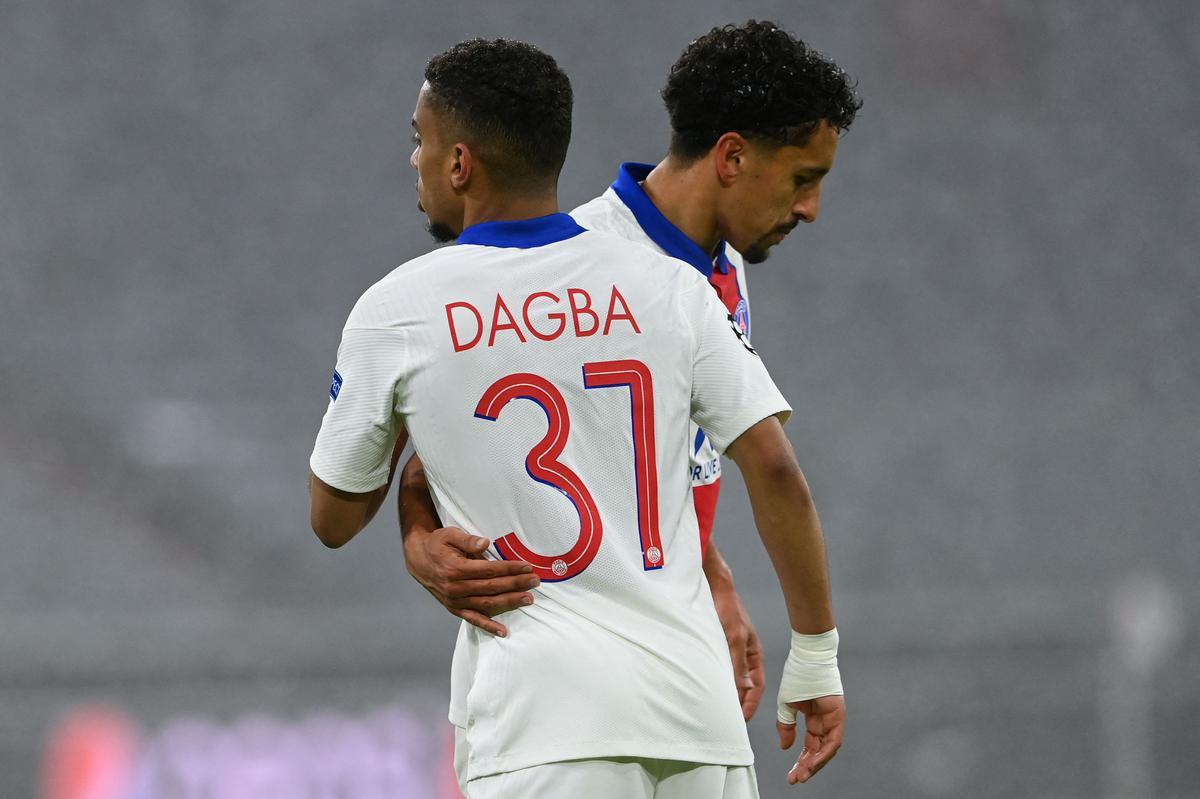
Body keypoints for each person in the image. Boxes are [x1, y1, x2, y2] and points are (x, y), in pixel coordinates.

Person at [309, 37, 842, 797]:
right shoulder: (647, 280)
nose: (811, 208)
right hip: (683, 709)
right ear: (730, 157)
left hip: (549, 717)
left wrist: (712, 570)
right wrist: (419, 537)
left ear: (458, 162)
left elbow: (354, 498)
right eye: (803, 179)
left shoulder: (710, 271)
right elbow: (771, 467)